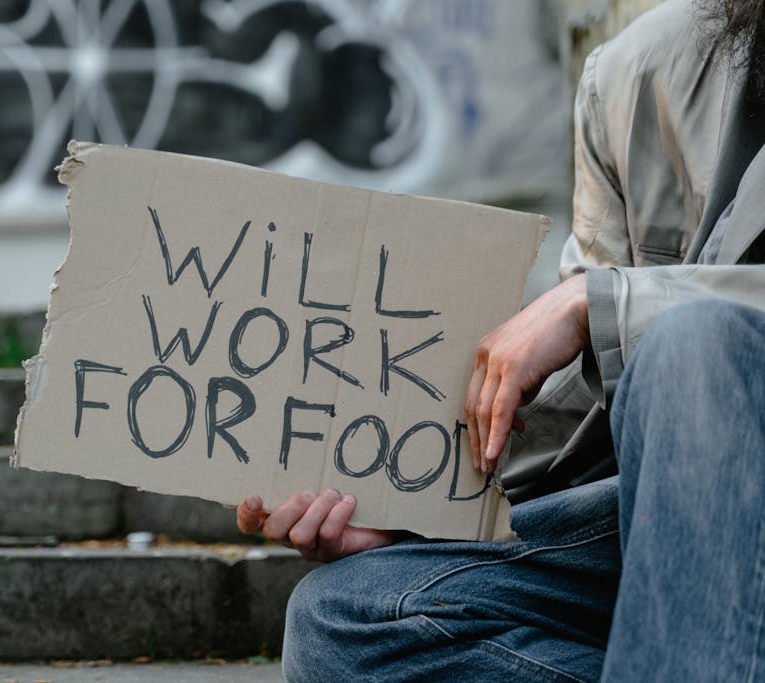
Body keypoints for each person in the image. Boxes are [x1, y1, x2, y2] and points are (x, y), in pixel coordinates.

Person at [236, 0, 765, 679]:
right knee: (347, 617)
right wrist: (420, 502)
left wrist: (605, 303)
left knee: (694, 345)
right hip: (674, 524)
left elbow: (640, 327)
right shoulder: (642, 71)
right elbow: (592, 411)